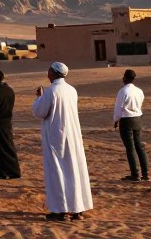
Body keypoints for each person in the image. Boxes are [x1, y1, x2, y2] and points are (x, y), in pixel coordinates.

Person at [32, 62, 92, 221]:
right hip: (72, 136)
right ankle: (78, 209)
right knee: (74, 171)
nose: (47, 73)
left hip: (56, 138)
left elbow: (40, 112)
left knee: (57, 172)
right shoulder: (71, 90)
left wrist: (39, 97)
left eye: (49, 70)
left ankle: (59, 210)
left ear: (54, 73)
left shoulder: (51, 91)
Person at [113, 69, 149, 181]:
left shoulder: (122, 91)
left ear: (124, 78)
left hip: (126, 120)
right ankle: (145, 174)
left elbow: (118, 108)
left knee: (130, 147)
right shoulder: (139, 91)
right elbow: (140, 104)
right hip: (138, 119)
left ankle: (135, 174)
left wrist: (115, 120)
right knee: (139, 146)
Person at [0, 68, 21, 180]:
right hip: (7, 122)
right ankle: (14, 171)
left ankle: (2, 173)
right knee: (8, 145)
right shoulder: (10, 90)